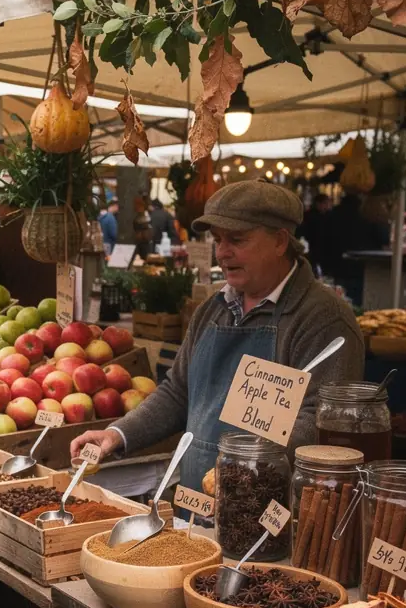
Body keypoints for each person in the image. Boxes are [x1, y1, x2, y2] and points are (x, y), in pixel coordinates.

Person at [70, 181, 365, 490]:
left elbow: (322, 421)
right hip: (196, 498)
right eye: (217, 239)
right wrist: (117, 434)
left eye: (237, 239)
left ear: (280, 241)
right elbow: (177, 392)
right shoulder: (213, 309)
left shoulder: (323, 318)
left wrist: (243, 468)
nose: (222, 253)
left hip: (269, 510)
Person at [0, 203, 57, 303]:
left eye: (0, 205)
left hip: (11, 315)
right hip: (54, 310)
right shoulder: (53, 236)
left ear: (6, 207)